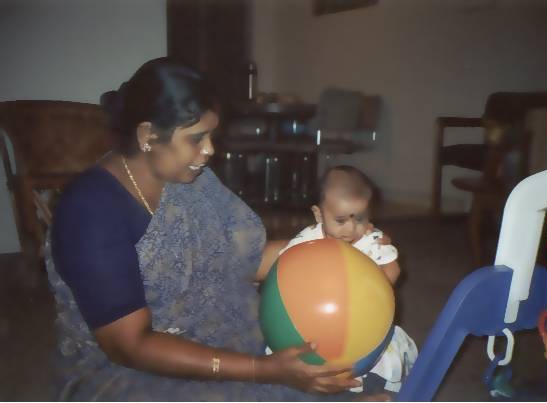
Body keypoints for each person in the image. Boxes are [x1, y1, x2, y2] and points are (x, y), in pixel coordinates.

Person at [46, 57, 387, 401]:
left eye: (211, 136)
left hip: (217, 334)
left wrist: (336, 244)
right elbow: (129, 346)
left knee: (345, 365)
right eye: (197, 138)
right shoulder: (89, 212)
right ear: (148, 135)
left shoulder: (190, 180)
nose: (210, 150)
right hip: (125, 370)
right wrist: (262, 369)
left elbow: (248, 259)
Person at [274, 165, 418, 393]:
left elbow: (393, 270)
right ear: (319, 214)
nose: (351, 229)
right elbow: (282, 269)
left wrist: (372, 291)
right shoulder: (307, 240)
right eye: (340, 220)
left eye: (360, 219)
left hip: (363, 326)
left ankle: (373, 391)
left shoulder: (371, 240)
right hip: (312, 324)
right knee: (286, 357)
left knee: (379, 362)